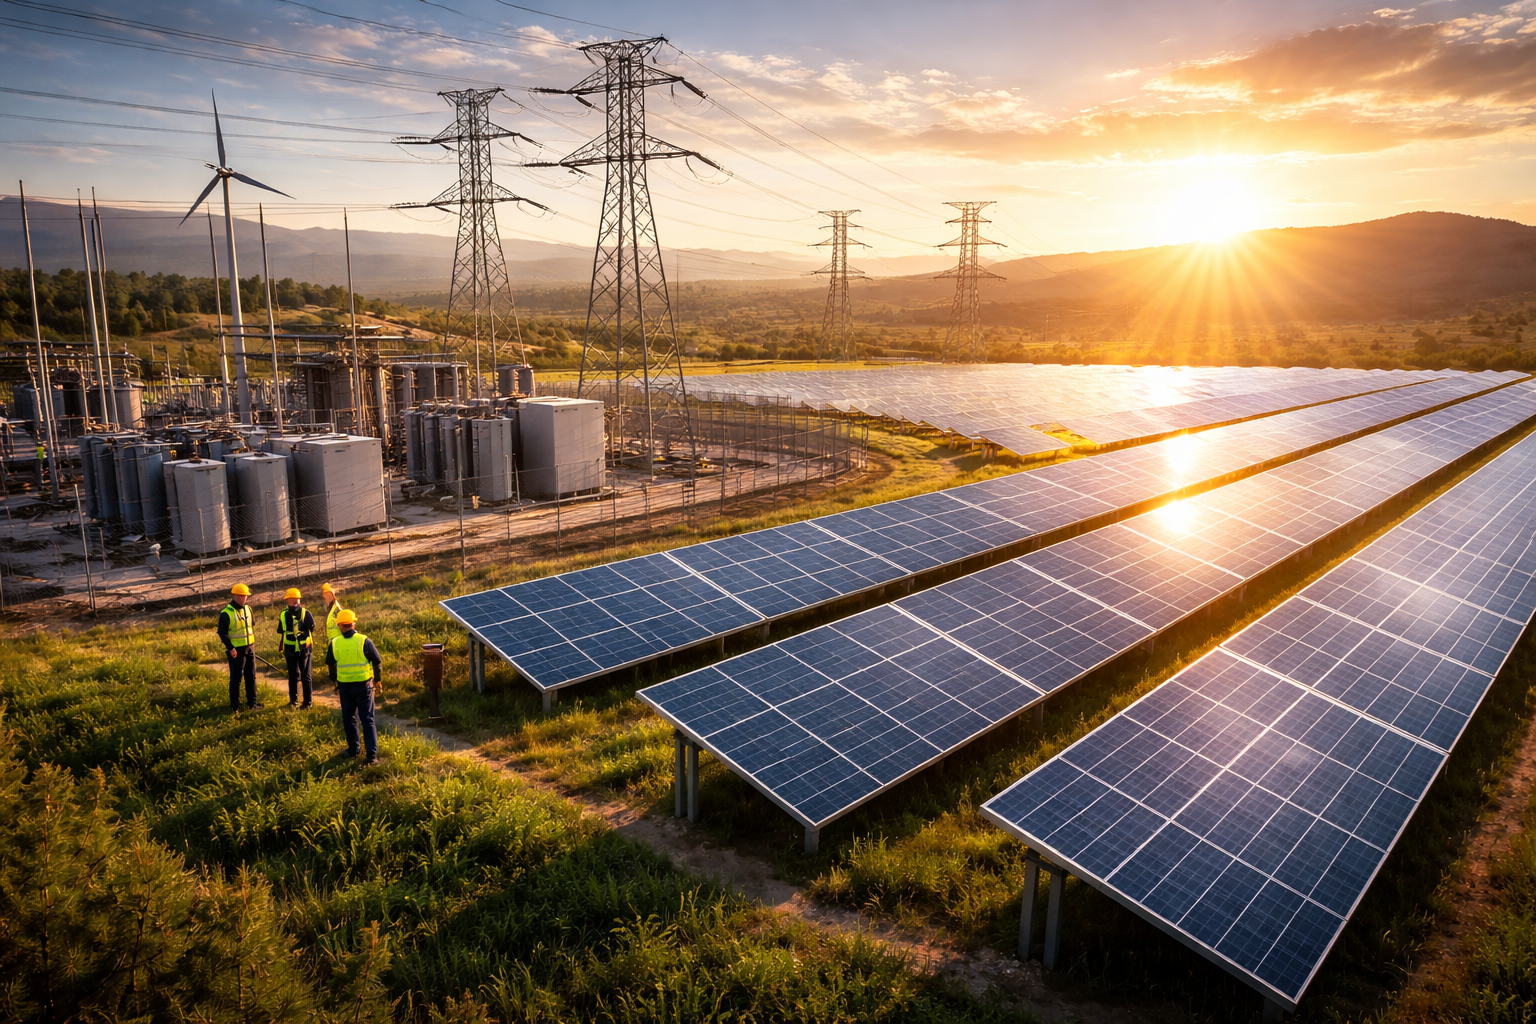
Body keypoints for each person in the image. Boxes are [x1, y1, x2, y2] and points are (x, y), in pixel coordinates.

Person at [324, 609, 380, 765]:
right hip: (365, 687)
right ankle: (371, 757)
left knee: (349, 719)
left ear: (340, 625)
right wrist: (379, 680)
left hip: (345, 688)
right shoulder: (364, 641)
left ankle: (353, 750)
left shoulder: (335, 643)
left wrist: (334, 679)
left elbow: (329, 662)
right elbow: (377, 661)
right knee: (367, 720)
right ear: (353, 623)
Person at [218, 583, 261, 711]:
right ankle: (235, 707)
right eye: (242, 596)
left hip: (249, 648)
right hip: (236, 650)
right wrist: (231, 648)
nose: (244, 599)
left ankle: (252, 704)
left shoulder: (248, 609)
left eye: (246, 596)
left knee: (251, 676)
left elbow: (251, 625)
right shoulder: (226, 613)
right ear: (235, 596)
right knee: (236, 678)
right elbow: (222, 633)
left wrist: (251, 646)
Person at [277, 587, 315, 709]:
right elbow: (282, 631)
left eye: (296, 600)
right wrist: (281, 645)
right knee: (293, 675)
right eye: (292, 600)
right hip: (290, 650)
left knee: (305, 676)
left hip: (304, 649)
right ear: (287, 601)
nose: (294, 602)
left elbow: (312, 628)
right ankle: (294, 701)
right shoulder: (283, 614)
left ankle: (307, 703)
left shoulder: (305, 613)